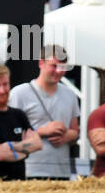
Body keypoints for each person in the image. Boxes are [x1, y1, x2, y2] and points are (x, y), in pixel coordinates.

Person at [9, 46, 81, 181]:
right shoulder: (19, 93)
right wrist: (42, 131)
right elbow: (10, 131)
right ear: (41, 63)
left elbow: (75, 131)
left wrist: (67, 136)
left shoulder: (70, 95)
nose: (59, 71)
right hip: (30, 169)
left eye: (63, 67)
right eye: (54, 66)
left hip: (62, 171)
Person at [0, 63, 42, 181]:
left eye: (5, 84)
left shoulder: (19, 115)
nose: (2, 90)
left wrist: (9, 146)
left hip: (19, 184)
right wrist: (23, 153)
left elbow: (37, 144)